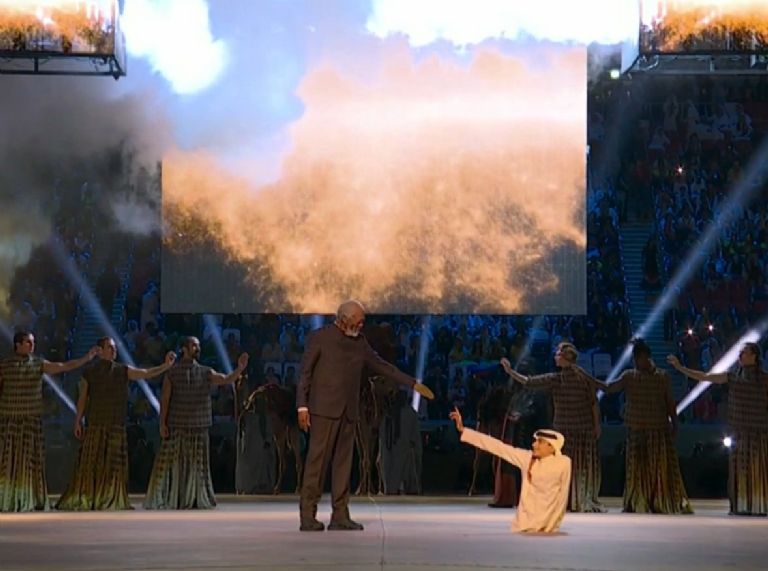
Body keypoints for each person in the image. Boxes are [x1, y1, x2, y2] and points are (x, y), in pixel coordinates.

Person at [297, 300, 434, 531]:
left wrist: (412, 383)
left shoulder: (360, 343)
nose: (362, 325)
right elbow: (305, 374)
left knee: (343, 465)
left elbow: (383, 366)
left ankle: (340, 515)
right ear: (344, 319)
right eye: (359, 321)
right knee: (316, 464)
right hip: (323, 410)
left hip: (349, 411)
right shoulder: (320, 337)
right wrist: (302, 406)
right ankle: (307, 515)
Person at [57, 337, 177, 511]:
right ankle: (89, 496)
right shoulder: (89, 373)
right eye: (110, 347)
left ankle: (109, 496)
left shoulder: (122, 370)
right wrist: (78, 421)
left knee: (113, 465)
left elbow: (144, 373)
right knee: (91, 463)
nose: (114, 350)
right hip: (95, 424)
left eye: (114, 348)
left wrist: (165, 366)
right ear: (99, 350)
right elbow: (83, 399)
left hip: (115, 424)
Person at [143, 336, 248, 509]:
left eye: (198, 345)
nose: (197, 348)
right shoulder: (172, 372)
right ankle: (172, 497)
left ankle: (194, 498)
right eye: (194, 345)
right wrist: (162, 423)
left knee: (197, 467)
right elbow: (165, 399)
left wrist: (239, 369)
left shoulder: (206, 372)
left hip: (199, 426)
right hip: (177, 425)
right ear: (184, 349)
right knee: (173, 465)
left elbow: (225, 379)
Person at [0, 331, 99, 512]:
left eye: (33, 342)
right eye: (28, 342)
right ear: (17, 345)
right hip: (10, 421)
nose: (32, 345)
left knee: (30, 462)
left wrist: (86, 358)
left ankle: (30, 497)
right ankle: (7, 498)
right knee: (8, 461)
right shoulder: (5, 366)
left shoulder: (38, 364)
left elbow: (64, 366)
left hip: (31, 421)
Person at [501, 342, 604, 512]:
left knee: (579, 466)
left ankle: (578, 499)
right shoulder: (557, 378)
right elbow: (530, 382)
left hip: (581, 428)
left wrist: (596, 425)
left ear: (565, 358)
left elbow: (593, 403)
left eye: (558, 354)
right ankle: (568, 499)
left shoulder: (581, 378)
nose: (555, 356)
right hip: (565, 429)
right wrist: (511, 371)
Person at [668, 343, 768, 516]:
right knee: (740, 471)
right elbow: (705, 377)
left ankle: (759, 505)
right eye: (740, 352)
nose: (740, 355)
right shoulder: (733, 377)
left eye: (744, 353)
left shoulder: (765, 380)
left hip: (759, 433)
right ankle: (742, 505)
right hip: (739, 433)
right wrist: (680, 368)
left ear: (754, 356)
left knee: (758, 471)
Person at [604, 339, 692, 514]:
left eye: (639, 358)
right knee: (637, 469)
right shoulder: (629, 376)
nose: (637, 362)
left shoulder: (662, 376)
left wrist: (675, 424)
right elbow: (609, 388)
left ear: (645, 357)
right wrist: (590, 380)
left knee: (659, 469)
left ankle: (660, 500)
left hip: (658, 430)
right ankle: (639, 501)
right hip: (636, 430)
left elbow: (669, 402)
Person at [450, 406, 571, 533]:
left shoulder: (564, 463)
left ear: (552, 446)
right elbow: (498, 447)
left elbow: (562, 497)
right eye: (535, 441)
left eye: (539, 442)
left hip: (549, 528)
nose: (534, 444)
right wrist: (464, 430)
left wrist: (552, 526)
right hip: (526, 525)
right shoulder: (527, 458)